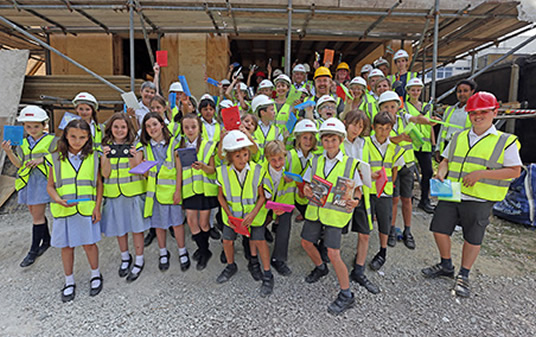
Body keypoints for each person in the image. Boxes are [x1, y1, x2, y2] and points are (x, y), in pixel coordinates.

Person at [422, 91, 521, 298]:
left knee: (472, 238)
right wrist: (441, 171)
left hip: (480, 197)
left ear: (494, 112)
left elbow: (514, 170)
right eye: (473, 112)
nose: (478, 116)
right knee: (439, 230)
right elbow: (446, 160)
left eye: (483, 112)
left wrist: (481, 174)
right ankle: (446, 265)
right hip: (452, 193)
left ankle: (464, 275)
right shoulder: (459, 137)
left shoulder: (505, 141)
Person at [301, 118, 362, 315]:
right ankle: (321, 267)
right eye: (326, 140)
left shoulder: (351, 164)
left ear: (341, 140)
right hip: (316, 210)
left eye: (333, 140)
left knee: (334, 254)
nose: (329, 144)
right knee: (306, 242)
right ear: (322, 141)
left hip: (335, 215)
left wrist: (355, 201)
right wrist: (307, 190)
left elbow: (358, 190)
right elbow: (306, 184)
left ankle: (347, 294)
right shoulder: (316, 159)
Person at [45, 119, 103, 302]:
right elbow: (50, 186)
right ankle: (69, 281)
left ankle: (96, 274)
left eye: (82, 137)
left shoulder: (94, 156)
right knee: (67, 247)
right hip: (64, 209)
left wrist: (97, 207)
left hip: (86, 209)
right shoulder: (55, 157)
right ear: (66, 136)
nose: (77, 141)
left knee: (89, 244)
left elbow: (99, 184)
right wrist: (57, 199)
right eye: (73, 136)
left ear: (88, 138)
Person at [216, 130, 274, 297]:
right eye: (238, 156)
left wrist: (252, 215)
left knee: (259, 241)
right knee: (227, 240)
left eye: (245, 154)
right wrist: (229, 216)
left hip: (254, 217)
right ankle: (230, 265)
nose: (243, 159)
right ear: (230, 158)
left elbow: (262, 196)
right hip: (232, 217)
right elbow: (220, 196)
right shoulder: (222, 172)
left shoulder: (257, 170)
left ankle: (267, 273)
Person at [2, 106, 55, 267]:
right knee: (34, 213)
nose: (32, 129)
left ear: (44, 124)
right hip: (27, 182)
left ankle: (33, 251)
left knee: (36, 217)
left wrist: (43, 160)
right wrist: (9, 152)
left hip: (42, 181)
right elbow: (19, 164)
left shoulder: (52, 140)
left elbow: (59, 158)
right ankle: (46, 240)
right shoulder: (22, 143)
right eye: (28, 126)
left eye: (36, 126)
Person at [100, 113, 148, 282]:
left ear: (128, 128)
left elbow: (138, 170)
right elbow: (105, 173)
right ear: (110, 129)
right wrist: (105, 157)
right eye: (116, 127)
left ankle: (139, 259)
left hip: (133, 193)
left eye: (123, 127)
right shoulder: (104, 147)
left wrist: (133, 156)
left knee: (137, 229)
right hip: (114, 194)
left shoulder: (138, 145)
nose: (119, 130)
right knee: (120, 229)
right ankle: (125, 257)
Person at [139, 112, 190, 272]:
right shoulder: (145, 148)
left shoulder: (174, 143)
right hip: (154, 193)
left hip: (172, 191)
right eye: (147, 126)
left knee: (177, 224)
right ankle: (163, 252)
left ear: (162, 124)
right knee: (159, 225)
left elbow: (180, 168)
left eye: (154, 124)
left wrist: (178, 191)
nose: (151, 128)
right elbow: (145, 174)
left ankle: (182, 251)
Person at [362, 111, 405, 273]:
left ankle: (382, 251)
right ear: (373, 127)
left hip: (385, 191)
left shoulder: (394, 148)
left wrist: (390, 184)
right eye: (380, 128)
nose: (383, 132)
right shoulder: (365, 143)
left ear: (391, 128)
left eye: (387, 128)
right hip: (367, 190)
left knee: (384, 222)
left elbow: (395, 169)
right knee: (365, 223)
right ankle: (362, 252)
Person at [342, 109, 379, 294]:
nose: (357, 129)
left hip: (362, 193)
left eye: (361, 126)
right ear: (346, 122)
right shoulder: (338, 141)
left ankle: (359, 269)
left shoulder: (364, 143)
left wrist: (372, 174)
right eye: (354, 124)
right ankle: (325, 261)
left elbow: (365, 167)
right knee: (334, 230)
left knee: (365, 233)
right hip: (342, 193)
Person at [376, 91, 417, 249]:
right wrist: (397, 138)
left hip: (407, 164)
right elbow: (383, 139)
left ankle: (408, 230)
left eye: (393, 106)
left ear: (398, 107)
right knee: (394, 199)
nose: (390, 109)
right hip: (392, 166)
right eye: (386, 107)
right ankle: (391, 229)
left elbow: (417, 119)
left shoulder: (404, 120)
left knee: (407, 199)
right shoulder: (381, 124)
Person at [178, 113, 218, 270]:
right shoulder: (181, 147)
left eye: (193, 127)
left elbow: (213, 169)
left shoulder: (208, 145)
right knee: (191, 222)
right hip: (189, 189)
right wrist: (178, 191)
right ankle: (203, 250)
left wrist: (203, 167)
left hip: (204, 190)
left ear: (199, 128)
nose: (190, 130)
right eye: (186, 127)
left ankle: (204, 250)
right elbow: (179, 171)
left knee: (204, 223)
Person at [262, 140, 296, 276]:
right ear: (267, 159)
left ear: (285, 156)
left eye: (280, 159)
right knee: (260, 222)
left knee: (284, 227)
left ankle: (278, 259)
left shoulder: (289, 168)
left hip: (283, 202)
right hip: (265, 201)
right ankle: (251, 247)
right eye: (273, 160)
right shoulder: (261, 170)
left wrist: (280, 208)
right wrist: (271, 206)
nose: (277, 163)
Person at [404, 78, 436, 214]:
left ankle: (424, 200)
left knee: (427, 172)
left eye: (418, 90)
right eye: (413, 90)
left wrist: (433, 143)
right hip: (411, 144)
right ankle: (408, 198)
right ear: (408, 91)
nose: (415, 92)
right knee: (409, 172)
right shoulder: (404, 106)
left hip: (425, 145)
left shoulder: (427, 107)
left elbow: (431, 126)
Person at [435, 79, 476, 160]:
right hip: (447, 147)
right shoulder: (450, 110)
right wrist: (438, 149)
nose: (462, 94)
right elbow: (442, 130)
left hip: (463, 147)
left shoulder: (474, 111)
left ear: (472, 92)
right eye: (459, 91)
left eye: (465, 91)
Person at [286, 119, 318, 222]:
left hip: (303, 197)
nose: (308, 142)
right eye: (305, 138)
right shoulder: (290, 155)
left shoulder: (314, 158)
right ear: (298, 138)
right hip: (288, 196)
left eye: (311, 138)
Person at [251, 94, 283, 161]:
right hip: (256, 169)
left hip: (271, 168)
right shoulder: (252, 130)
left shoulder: (277, 130)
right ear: (262, 112)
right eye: (271, 110)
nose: (274, 112)